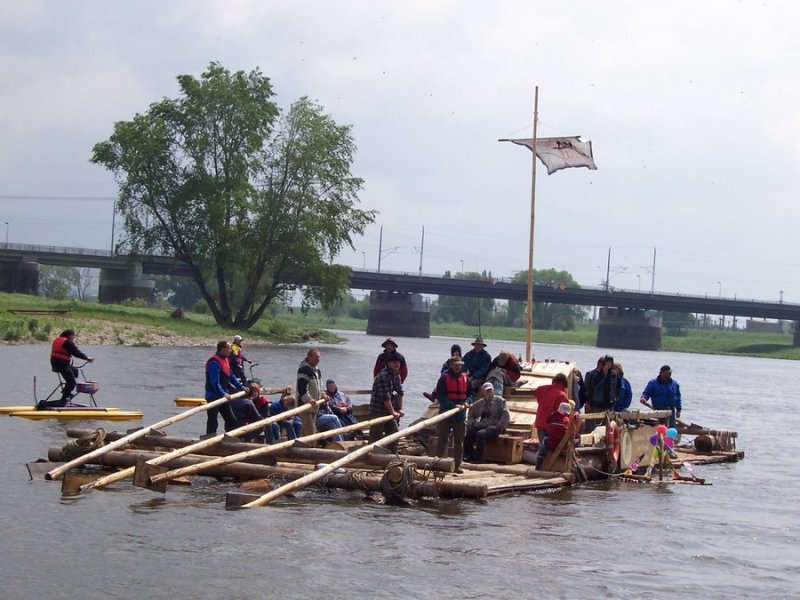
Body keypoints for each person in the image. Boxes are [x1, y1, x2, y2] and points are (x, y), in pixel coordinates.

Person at [435, 356, 473, 473]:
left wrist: (467, 402)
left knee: (459, 442)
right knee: (442, 440)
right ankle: (438, 465)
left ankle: (457, 465)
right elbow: (440, 396)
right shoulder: (444, 378)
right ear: (451, 364)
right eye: (456, 364)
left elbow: (471, 394)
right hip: (446, 413)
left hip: (460, 415)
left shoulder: (466, 378)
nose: (458, 367)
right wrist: (452, 406)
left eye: (460, 364)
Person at [41, 328, 94, 409]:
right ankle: (63, 400)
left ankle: (67, 391)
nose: (73, 340)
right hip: (62, 363)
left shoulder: (57, 340)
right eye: (73, 338)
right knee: (72, 383)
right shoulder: (67, 342)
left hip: (55, 363)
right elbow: (76, 352)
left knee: (75, 371)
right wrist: (86, 358)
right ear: (69, 336)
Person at [204, 340, 247, 435]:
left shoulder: (225, 360)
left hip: (223, 397)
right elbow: (214, 382)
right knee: (213, 422)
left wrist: (241, 387)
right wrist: (223, 393)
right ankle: (208, 443)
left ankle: (231, 440)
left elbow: (231, 376)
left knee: (232, 421)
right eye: (229, 349)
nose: (230, 351)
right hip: (213, 396)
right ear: (222, 349)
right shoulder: (214, 362)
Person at [464, 382, 510, 464]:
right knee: (467, 433)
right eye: (487, 390)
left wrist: (499, 426)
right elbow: (471, 412)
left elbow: (506, 415)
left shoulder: (500, 401)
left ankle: (479, 458)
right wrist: (472, 423)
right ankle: (470, 455)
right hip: (482, 424)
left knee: (480, 434)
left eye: (490, 390)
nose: (489, 392)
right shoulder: (479, 403)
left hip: (494, 426)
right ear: (483, 392)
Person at [368, 352, 405, 452]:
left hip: (389, 409)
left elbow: (400, 392)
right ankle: (371, 456)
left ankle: (393, 455)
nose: (397, 364)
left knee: (394, 432)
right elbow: (386, 397)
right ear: (388, 363)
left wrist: (400, 408)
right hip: (378, 410)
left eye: (398, 362)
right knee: (376, 435)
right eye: (394, 362)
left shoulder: (396, 375)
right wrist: (393, 411)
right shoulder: (383, 376)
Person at [533, 373, 570, 445]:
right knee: (550, 451)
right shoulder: (562, 395)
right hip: (552, 427)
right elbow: (563, 414)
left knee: (542, 448)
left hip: (540, 422)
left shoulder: (543, 389)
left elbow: (536, 392)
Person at [536, 402, 572, 468]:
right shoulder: (568, 421)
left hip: (551, 443)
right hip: (564, 445)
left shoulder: (552, 418)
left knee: (542, 445)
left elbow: (549, 429)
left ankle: (538, 466)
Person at [296, 348, 324, 436]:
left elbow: (320, 386)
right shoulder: (304, 369)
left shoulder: (317, 370)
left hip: (315, 405)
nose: (318, 359)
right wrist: (309, 399)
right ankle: (312, 448)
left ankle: (299, 447)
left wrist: (323, 395)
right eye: (316, 357)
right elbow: (302, 388)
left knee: (307, 430)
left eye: (319, 357)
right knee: (310, 430)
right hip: (305, 405)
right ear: (309, 357)